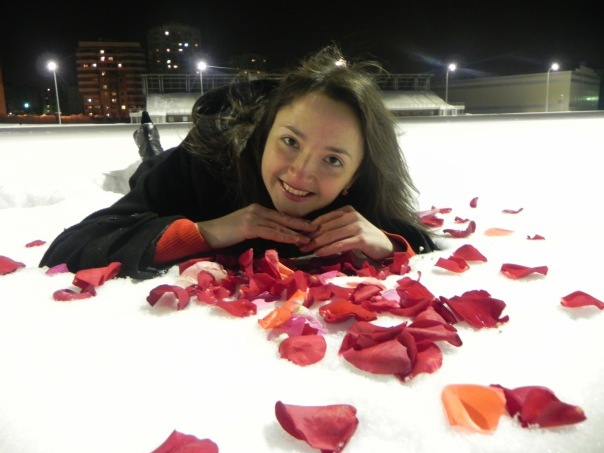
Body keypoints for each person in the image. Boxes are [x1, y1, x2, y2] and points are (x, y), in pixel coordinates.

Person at [40, 45, 436, 279]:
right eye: (290, 142)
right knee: (149, 165)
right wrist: (209, 231)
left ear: (356, 175)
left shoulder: (363, 188)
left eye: (333, 160)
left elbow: (418, 241)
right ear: (264, 134)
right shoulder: (206, 160)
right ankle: (149, 144)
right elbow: (70, 249)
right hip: (173, 166)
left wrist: (387, 245)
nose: (300, 174)